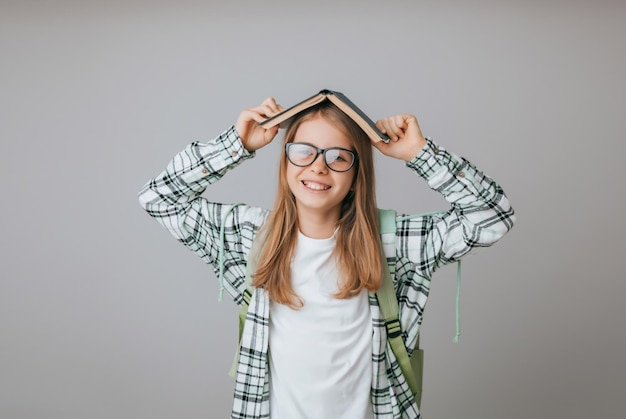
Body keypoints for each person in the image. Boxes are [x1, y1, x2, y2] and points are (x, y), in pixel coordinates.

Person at [138, 95, 516, 419]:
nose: (318, 166)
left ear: (357, 174)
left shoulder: (393, 243)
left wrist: (419, 153)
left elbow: (492, 215)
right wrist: (236, 145)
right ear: (285, 162)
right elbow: (158, 199)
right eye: (303, 151)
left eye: (338, 157)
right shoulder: (250, 237)